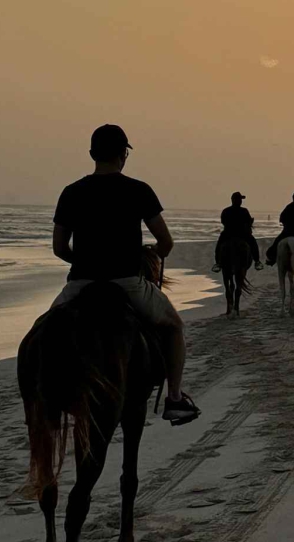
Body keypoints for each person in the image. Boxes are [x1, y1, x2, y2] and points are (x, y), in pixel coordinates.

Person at [50, 124, 200, 425]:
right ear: (124, 155)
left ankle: (50, 401)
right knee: (173, 327)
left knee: (48, 330)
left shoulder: (71, 192)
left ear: (92, 153)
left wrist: (83, 262)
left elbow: (58, 247)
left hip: (81, 282)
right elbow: (165, 241)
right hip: (127, 282)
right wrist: (160, 252)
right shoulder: (138, 190)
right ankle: (174, 399)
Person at [211, 192, 262, 273]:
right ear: (235, 200)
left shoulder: (226, 210)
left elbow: (223, 221)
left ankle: (218, 263)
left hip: (228, 234)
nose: (240, 201)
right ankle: (257, 262)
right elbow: (248, 222)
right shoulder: (244, 211)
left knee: (219, 246)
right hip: (242, 234)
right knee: (253, 243)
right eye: (239, 199)